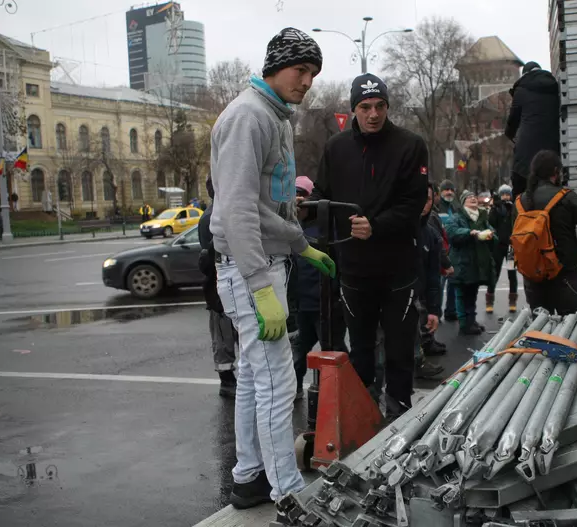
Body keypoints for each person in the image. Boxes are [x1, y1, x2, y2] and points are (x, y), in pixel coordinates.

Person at [209, 27, 332, 510]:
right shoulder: (248, 116)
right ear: (275, 67)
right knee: (280, 383)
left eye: (313, 73)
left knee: (255, 376)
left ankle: (249, 477)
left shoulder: (272, 114)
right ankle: (289, 496)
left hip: (262, 260)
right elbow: (236, 209)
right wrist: (260, 286)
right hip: (249, 267)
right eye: (300, 70)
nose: (307, 81)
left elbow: (270, 204)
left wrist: (301, 246)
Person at [311, 72, 428, 419]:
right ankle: (363, 413)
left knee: (399, 349)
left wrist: (375, 227)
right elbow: (322, 194)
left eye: (380, 106)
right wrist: (305, 206)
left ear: (388, 107)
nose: (373, 114)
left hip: (398, 269)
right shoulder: (336, 148)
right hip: (354, 270)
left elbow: (414, 206)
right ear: (354, 109)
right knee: (359, 349)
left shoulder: (411, 144)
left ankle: (400, 412)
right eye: (365, 107)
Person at [518, 151, 577, 316]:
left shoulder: (520, 201)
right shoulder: (566, 197)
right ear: (556, 171)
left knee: (541, 333)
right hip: (564, 275)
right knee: (570, 330)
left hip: (533, 277)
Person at [289, 176, 349, 400]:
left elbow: (340, 264)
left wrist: (338, 297)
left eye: (302, 196)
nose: (298, 202)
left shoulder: (327, 228)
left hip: (327, 306)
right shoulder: (293, 229)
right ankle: (293, 389)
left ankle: (341, 391)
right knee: (296, 353)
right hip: (302, 306)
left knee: (333, 351)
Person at [198, 178, 238, 398]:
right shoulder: (213, 217)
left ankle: (230, 378)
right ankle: (227, 381)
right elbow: (212, 257)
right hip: (219, 289)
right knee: (224, 338)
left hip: (222, 286)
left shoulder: (217, 213)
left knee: (229, 336)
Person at [505, 62, 561, 196]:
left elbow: (513, 121)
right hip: (551, 151)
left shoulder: (522, 90)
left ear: (525, 74)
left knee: (521, 194)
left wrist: (510, 135)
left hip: (526, 153)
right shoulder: (555, 88)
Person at [446, 190, 496, 335]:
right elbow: (452, 232)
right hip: (462, 262)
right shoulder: (456, 217)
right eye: (469, 198)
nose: (473, 199)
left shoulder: (481, 217)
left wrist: (491, 235)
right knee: (462, 293)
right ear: (463, 203)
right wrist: (469, 232)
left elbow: (491, 230)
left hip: (476, 263)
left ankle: (471, 320)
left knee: (472, 292)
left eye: (474, 197)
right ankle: (464, 323)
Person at [415, 184, 445, 379]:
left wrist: (434, 310)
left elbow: (434, 275)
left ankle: (418, 361)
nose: (423, 204)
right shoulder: (394, 227)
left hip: (418, 293)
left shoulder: (429, 233)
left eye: (428, 199)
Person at [487, 185, 519, 314]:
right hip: (498, 246)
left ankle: (512, 301)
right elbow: (491, 222)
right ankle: (489, 301)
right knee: (494, 272)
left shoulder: (514, 208)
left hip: (511, 246)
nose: (505, 197)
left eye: (507, 194)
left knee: (512, 273)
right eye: (503, 194)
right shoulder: (496, 208)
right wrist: (494, 207)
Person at [437, 179, 460, 321]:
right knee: (439, 284)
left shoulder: (455, 207)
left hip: (453, 249)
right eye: (446, 190)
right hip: (440, 250)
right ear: (440, 192)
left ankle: (451, 311)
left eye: (451, 190)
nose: (449, 192)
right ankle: (436, 313)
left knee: (453, 283)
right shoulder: (437, 207)